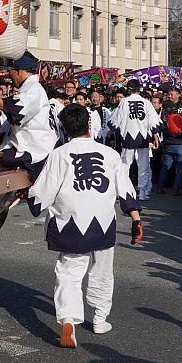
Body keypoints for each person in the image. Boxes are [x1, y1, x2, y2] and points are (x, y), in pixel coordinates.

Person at [27, 103, 142, 348]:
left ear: (64, 128)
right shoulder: (110, 154)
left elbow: (42, 193)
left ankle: (68, 319)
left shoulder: (59, 154)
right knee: (102, 271)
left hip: (70, 222)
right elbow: (125, 190)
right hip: (103, 222)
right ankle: (100, 319)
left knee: (69, 272)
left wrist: (31, 197)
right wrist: (136, 220)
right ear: (89, 124)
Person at [0, 52, 57, 178]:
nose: (9, 74)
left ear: (19, 71)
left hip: (36, 151)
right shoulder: (32, 88)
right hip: (33, 146)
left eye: (10, 71)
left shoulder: (33, 88)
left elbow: (18, 109)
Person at [111, 78, 161, 202]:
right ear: (139, 89)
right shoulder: (146, 103)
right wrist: (155, 136)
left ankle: (123, 191)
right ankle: (143, 192)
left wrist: (113, 131)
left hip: (128, 137)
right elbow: (154, 122)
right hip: (143, 137)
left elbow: (115, 122)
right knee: (144, 167)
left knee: (125, 166)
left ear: (129, 90)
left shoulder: (124, 102)